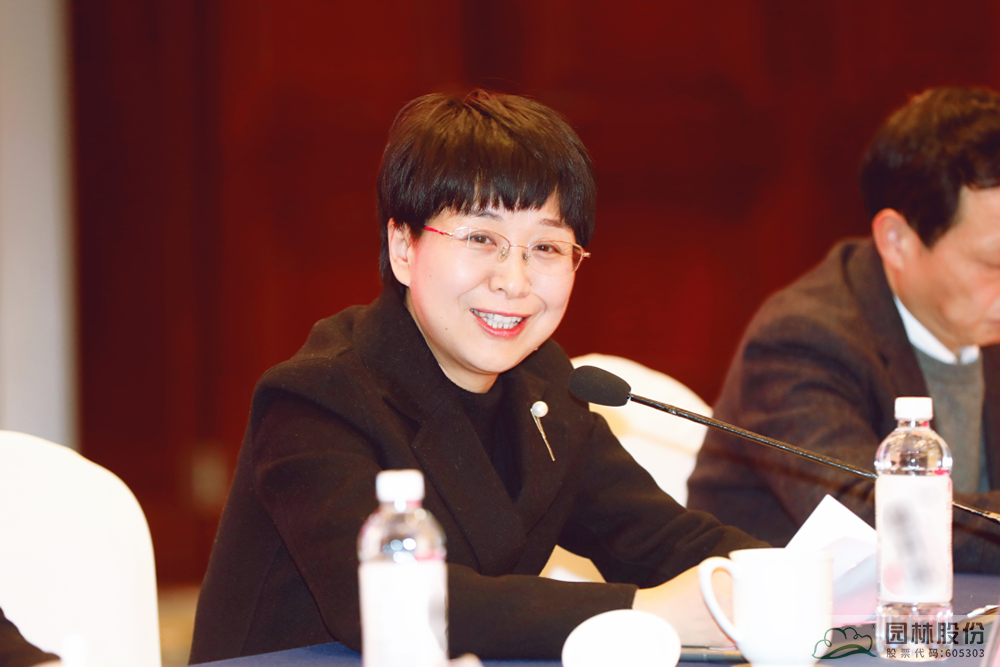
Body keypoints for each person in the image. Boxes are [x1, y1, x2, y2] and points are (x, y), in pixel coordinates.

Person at [188, 90, 765, 663]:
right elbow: (393, 605)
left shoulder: (545, 386)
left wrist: (788, 578)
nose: (513, 281)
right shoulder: (318, 396)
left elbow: (664, 540)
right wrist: (646, 611)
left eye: (546, 246)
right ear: (403, 246)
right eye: (481, 239)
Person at [687, 86, 1000, 570]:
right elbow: (878, 522)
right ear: (897, 240)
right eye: (993, 262)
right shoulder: (803, 338)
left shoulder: (980, 319)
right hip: (805, 613)